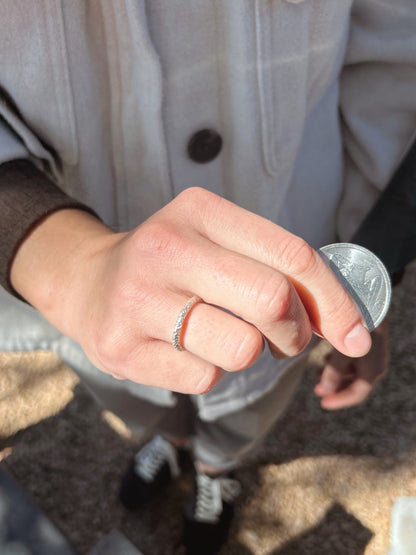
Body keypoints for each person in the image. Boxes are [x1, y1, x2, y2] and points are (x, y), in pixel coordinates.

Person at [0, 1, 414, 553]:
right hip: (80, 292)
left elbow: (390, 59)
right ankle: (170, 444)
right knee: (138, 400)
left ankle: (215, 472)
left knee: (244, 414)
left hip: (296, 258)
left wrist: (369, 268)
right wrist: (63, 260)